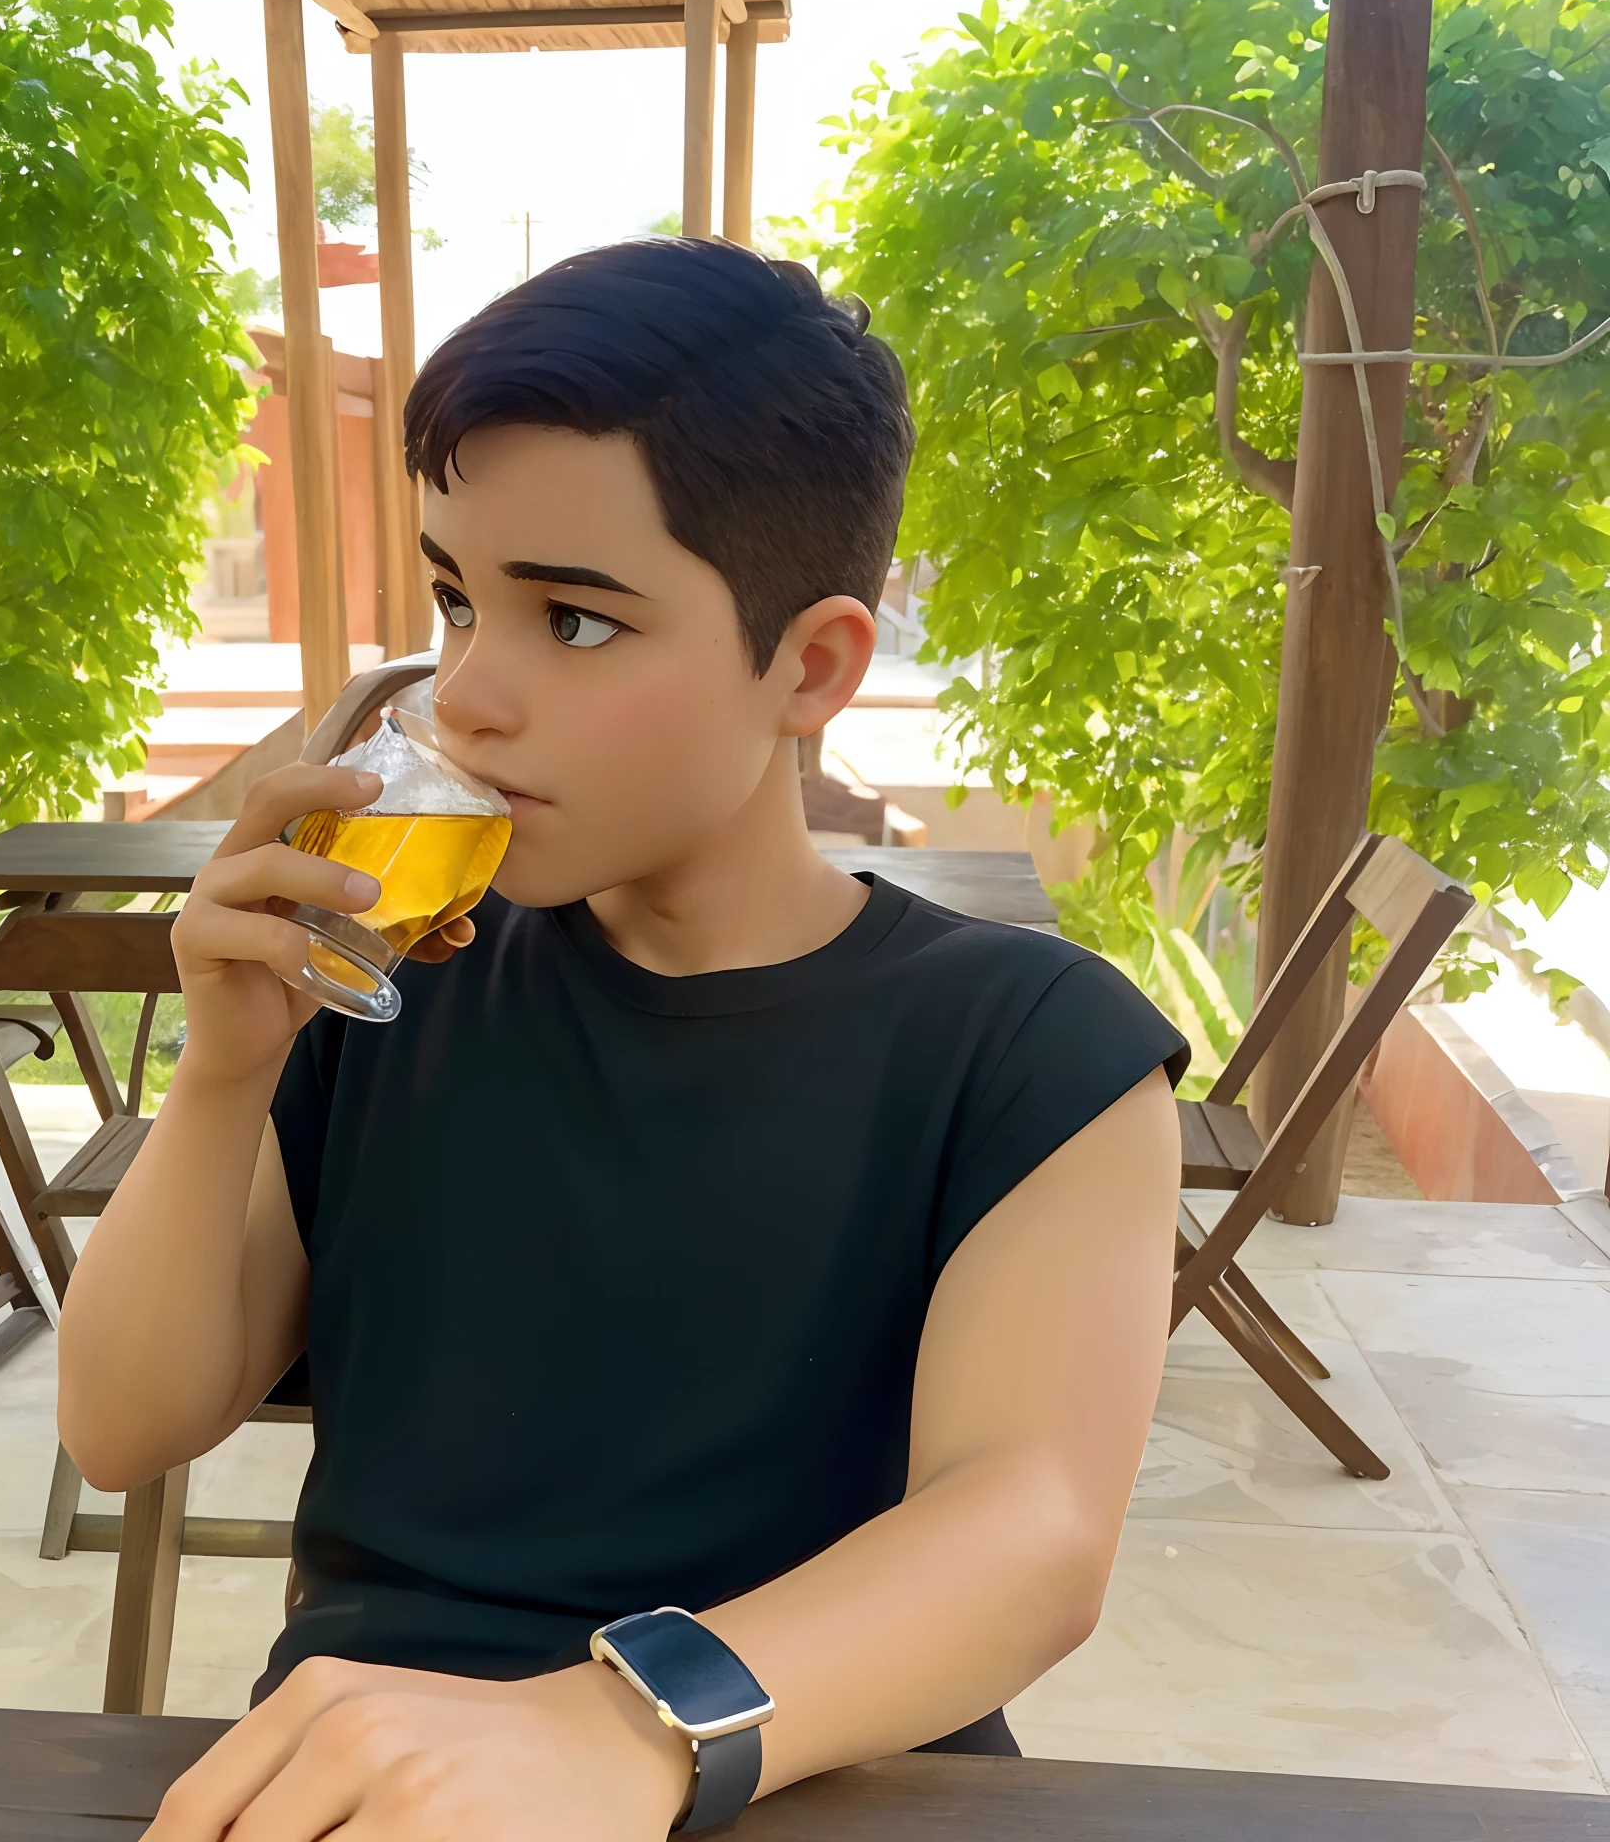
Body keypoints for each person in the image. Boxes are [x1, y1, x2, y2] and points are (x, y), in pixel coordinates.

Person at [58, 237, 1187, 1842]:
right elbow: (122, 1425)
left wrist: (627, 1727)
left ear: (809, 666)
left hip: (816, 1777)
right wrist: (227, 1070)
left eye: (574, 624)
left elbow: (1032, 1533)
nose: (466, 699)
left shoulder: (1025, 1049)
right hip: (370, 1784)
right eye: (457, 601)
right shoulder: (400, 984)